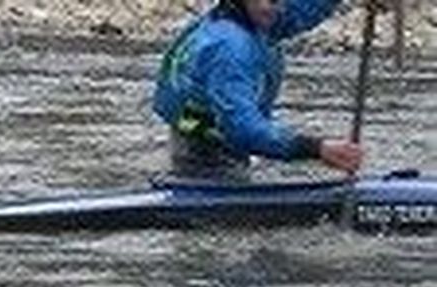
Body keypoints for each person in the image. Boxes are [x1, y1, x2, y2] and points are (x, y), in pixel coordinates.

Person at [153, 0, 369, 179]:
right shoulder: (229, 48)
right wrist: (317, 149)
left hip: (216, 134)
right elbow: (243, 128)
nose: (280, 8)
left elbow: (301, 12)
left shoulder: (251, 16)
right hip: (205, 154)